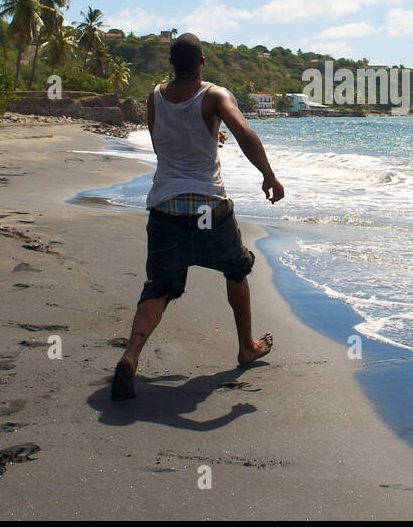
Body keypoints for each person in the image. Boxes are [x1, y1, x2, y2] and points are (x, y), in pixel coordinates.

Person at [112, 33, 285, 400]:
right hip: (208, 205)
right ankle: (246, 347)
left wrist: (209, 135)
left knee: (159, 286)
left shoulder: (155, 96)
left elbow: (164, 144)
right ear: (202, 62)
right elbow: (246, 134)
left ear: (172, 64)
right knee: (236, 269)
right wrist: (268, 175)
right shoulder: (215, 95)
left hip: (165, 206)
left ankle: (131, 356)